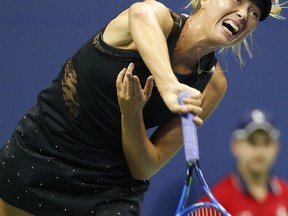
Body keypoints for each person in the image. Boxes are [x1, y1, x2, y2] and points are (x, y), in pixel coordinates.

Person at [0, 0, 285, 215]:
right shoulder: (155, 17)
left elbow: (144, 166)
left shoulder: (212, 84)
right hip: (41, 154)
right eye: (238, 0)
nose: (244, 14)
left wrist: (132, 113)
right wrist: (168, 84)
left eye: (254, 13)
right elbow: (140, 14)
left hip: (109, 189)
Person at [198, 109, 288, 216]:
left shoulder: (286, 194)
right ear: (235, 146)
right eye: (252, 142)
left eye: (266, 143)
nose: (260, 151)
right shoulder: (215, 201)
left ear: (276, 147)